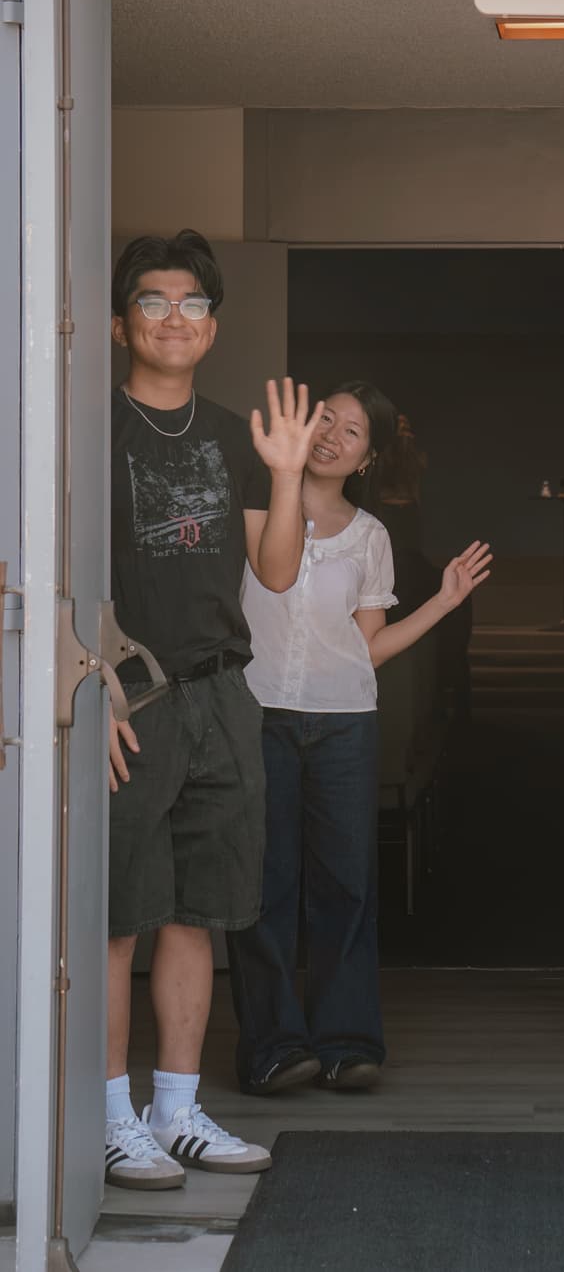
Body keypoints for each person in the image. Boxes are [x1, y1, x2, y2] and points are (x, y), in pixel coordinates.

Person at [106, 229, 321, 1191]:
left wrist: (283, 474)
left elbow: (274, 574)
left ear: (213, 324)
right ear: (121, 325)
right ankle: (111, 1117)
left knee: (198, 911)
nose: (174, 317)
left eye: (190, 303)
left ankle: (177, 1108)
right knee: (118, 915)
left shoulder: (236, 433)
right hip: (128, 698)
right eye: (154, 301)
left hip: (222, 695)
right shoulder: (86, 427)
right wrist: (83, 679)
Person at [228, 380, 491, 1094]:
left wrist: (443, 600)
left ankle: (346, 1041)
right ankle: (274, 1047)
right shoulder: (256, 508)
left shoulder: (371, 536)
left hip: (345, 719)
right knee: (262, 885)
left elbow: (368, 646)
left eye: (352, 432)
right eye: (326, 420)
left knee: (346, 884)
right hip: (259, 712)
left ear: (367, 459)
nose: (332, 436)